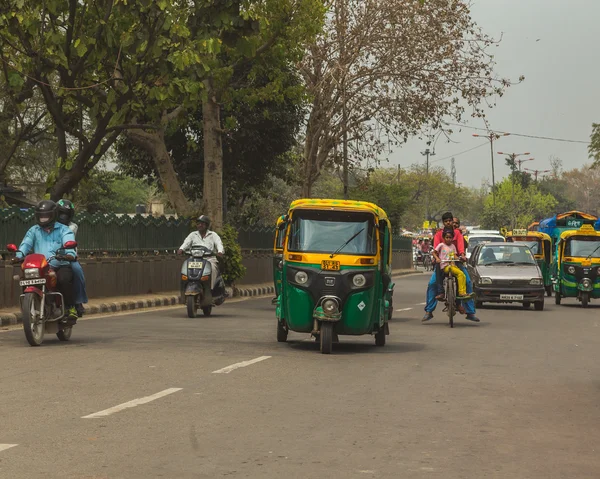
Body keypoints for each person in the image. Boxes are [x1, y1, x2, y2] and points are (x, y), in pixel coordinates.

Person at [14, 200, 78, 322]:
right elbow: (26, 244)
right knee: (25, 279)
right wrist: (19, 255)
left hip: (59, 264)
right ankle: (29, 307)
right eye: (41, 216)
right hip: (40, 267)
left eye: (46, 216)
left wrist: (69, 254)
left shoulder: (64, 230)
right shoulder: (34, 230)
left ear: (53, 215)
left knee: (64, 279)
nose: (43, 219)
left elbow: (68, 241)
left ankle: (71, 308)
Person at [422, 211, 480, 323]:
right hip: (442, 263)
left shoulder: (458, 234)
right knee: (432, 284)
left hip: (455, 262)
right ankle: (429, 311)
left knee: (467, 282)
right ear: (443, 223)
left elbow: (460, 248)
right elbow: (436, 249)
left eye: (450, 221)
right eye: (446, 221)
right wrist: (436, 258)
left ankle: (470, 312)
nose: (448, 223)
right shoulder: (438, 234)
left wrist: (462, 256)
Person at [57, 199, 88, 317]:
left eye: (66, 214)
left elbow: (65, 239)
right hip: (51, 258)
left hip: (68, 258)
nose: (63, 217)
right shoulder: (49, 225)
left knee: (78, 271)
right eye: (61, 213)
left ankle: (78, 302)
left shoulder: (72, 227)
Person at [177, 215, 224, 291]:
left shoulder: (213, 235)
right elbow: (186, 242)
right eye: (198, 223)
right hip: (194, 259)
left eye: (202, 223)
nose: (200, 225)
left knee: (213, 268)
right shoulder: (193, 235)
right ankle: (185, 287)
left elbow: (219, 243)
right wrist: (181, 249)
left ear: (207, 225)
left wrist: (220, 252)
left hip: (209, 259)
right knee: (185, 267)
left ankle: (211, 288)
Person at [432, 228, 474, 301]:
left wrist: (459, 258)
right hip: (445, 266)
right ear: (444, 238)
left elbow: (454, 255)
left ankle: (462, 292)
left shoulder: (453, 246)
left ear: (452, 238)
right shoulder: (441, 245)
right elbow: (434, 252)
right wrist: (437, 258)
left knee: (463, 275)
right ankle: (461, 293)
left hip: (452, 265)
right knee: (460, 274)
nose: (448, 239)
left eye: (450, 237)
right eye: (447, 237)